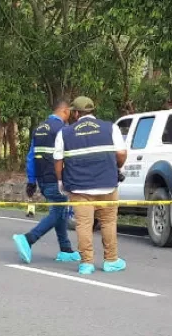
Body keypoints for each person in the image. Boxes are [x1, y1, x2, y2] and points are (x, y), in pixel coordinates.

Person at [54, 96, 127, 275]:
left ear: (76, 113)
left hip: (79, 188)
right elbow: (121, 153)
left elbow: (58, 160)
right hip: (107, 185)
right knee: (108, 222)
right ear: (92, 111)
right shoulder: (111, 128)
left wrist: (61, 181)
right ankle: (111, 260)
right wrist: (116, 168)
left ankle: (86, 263)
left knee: (84, 224)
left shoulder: (65, 133)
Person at [12, 100, 81, 264]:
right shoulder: (63, 130)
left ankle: (65, 249)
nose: (70, 116)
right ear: (64, 111)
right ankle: (28, 238)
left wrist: (31, 180)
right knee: (57, 212)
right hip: (56, 179)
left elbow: (31, 156)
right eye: (69, 112)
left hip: (42, 180)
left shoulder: (39, 128)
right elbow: (68, 156)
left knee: (60, 212)